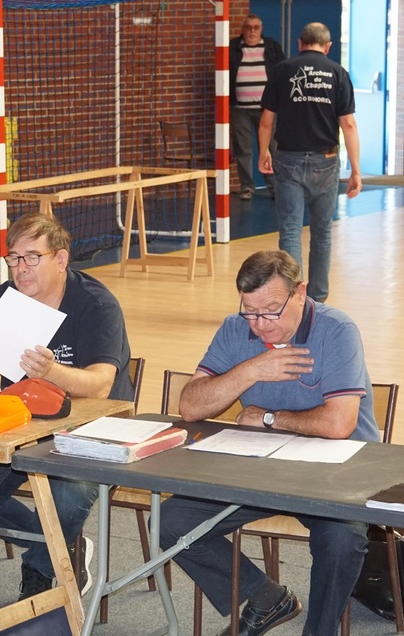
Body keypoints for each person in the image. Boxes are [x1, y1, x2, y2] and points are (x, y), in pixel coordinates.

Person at [0, 212, 133, 601]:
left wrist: (52, 372)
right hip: (25, 423)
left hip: (91, 430)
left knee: (66, 495)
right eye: (14, 258)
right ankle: (62, 550)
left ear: (61, 259)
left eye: (32, 257)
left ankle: (39, 567)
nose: (20, 268)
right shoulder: (5, 298)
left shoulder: (96, 305)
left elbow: (101, 386)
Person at [159, 250, 378, 636]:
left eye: (272, 311)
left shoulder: (336, 330)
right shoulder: (235, 329)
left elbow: (339, 423)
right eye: (251, 311)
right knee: (170, 522)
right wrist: (251, 370)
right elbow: (191, 405)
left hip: (336, 473)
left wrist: (269, 418)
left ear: (300, 293)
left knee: (342, 540)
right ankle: (265, 596)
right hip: (261, 470)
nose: (260, 324)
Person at [258, 21, 361, 303]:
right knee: (322, 232)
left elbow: (266, 121)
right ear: (328, 47)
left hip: (288, 158)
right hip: (325, 160)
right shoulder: (338, 73)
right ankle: (318, 298)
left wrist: (264, 151)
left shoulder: (282, 70)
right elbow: (349, 125)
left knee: (290, 230)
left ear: (300, 43)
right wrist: (356, 170)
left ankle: (295, 297)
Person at [229, 14, 284, 201]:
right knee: (243, 149)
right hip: (239, 108)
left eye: (255, 27)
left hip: (266, 109)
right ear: (242, 29)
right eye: (248, 27)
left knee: (271, 147)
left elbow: (281, 73)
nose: (252, 31)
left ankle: (274, 187)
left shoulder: (272, 47)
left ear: (261, 29)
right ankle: (247, 187)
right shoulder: (232, 48)